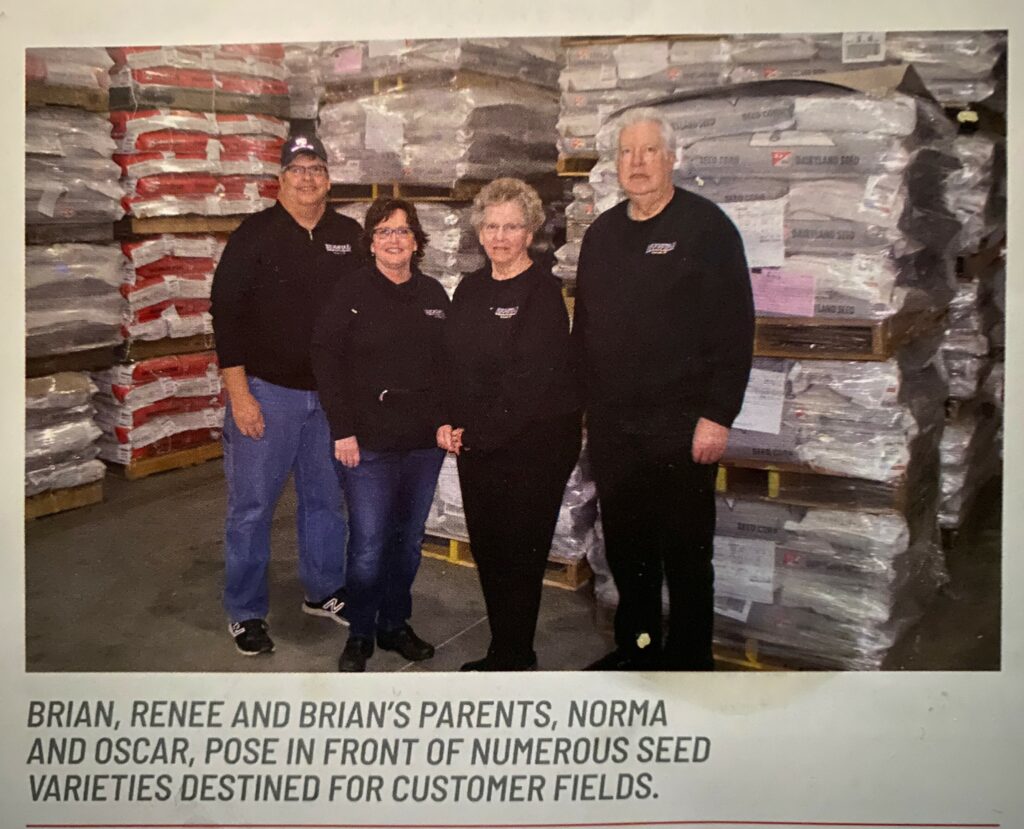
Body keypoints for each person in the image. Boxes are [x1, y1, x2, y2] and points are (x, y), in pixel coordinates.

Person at [572, 108, 754, 671]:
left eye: (649, 151)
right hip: (615, 428)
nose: (637, 163)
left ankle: (692, 662)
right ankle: (640, 649)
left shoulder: (707, 228)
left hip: (680, 428)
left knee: (686, 553)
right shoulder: (602, 234)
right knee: (628, 550)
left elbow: (734, 328)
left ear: (672, 158)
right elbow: (586, 333)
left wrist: (718, 415)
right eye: (627, 153)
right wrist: (582, 413)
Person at [210, 133, 363, 656]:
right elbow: (225, 316)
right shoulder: (253, 235)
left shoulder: (348, 233)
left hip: (328, 399)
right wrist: (239, 394)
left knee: (326, 502)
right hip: (267, 394)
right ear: (279, 178)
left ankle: (323, 591)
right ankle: (246, 611)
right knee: (252, 507)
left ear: (328, 177)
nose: (307, 177)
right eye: (296, 168)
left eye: (316, 167)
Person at [441, 178, 581, 671]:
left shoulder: (543, 292)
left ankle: (516, 654)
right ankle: (505, 649)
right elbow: (452, 364)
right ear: (480, 232)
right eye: (492, 226)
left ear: (530, 233)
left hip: (534, 444)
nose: (500, 236)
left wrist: (475, 432)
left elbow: (530, 382)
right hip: (481, 442)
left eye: (512, 227)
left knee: (519, 550)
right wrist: (451, 421)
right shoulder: (472, 289)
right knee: (489, 546)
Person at [312, 198, 450, 673]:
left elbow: (449, 367)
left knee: (408, 542)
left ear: (416, 241)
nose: (395, 239)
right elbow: (326, 362)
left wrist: (446, 421)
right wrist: (343, 430)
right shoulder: (350, 291)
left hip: (421, 443)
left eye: (404, 230)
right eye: (384, 231)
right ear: (370, 242)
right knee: (369, 545)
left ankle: (395, 625)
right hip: (367, 443)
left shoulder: (433, 294)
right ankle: (360, 633)